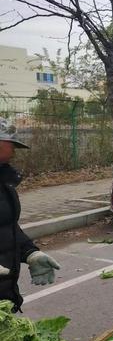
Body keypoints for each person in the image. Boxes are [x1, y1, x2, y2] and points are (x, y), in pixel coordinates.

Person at [0, 118, 60, 311]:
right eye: (11, 144)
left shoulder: (4, 183)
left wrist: (30, 252)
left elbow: (7, 227)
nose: (14, 152)